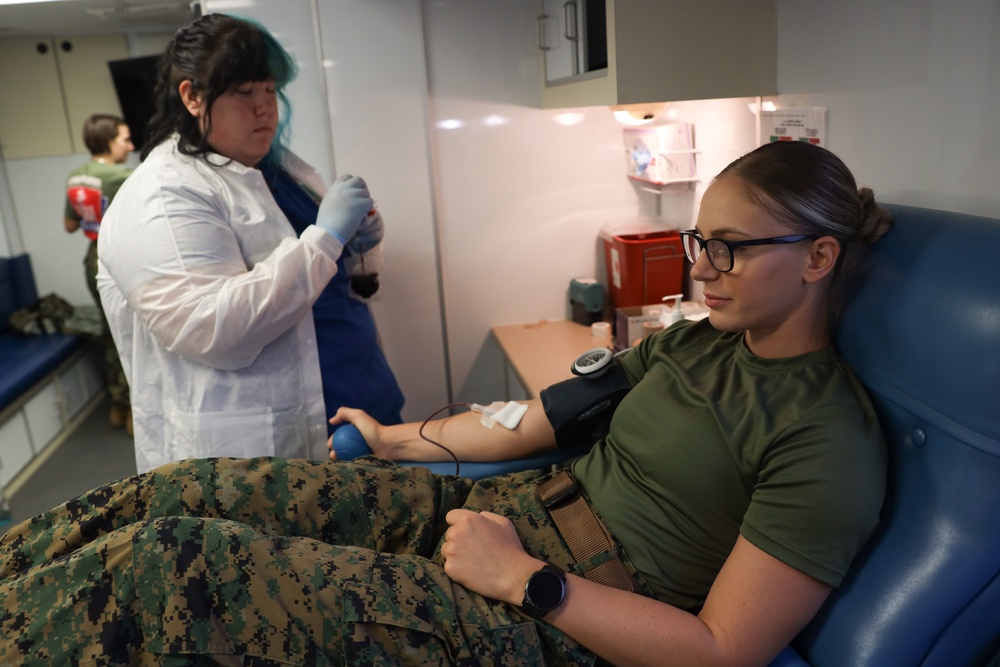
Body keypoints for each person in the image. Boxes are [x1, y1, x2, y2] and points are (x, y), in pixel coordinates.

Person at [0, 140, 892, 665]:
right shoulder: (693, 339)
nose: (700, 266)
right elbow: (540, 418)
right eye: (702, 240)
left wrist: (529, 582)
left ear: (817, 259)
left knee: (174, 561)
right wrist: (393, 439)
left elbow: (721, 650)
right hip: (502, 516)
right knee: (189, 490)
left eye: (730, 248)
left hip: (561, 613)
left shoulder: (825, 436)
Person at [95, 14, 403, 474]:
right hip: (266, 451)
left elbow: (337, 283)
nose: (266, 108)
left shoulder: (278, 170)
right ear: (192, 96)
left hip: (365, 409)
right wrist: (324, 237)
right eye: (244, 92)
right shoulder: (160, 195)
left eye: (269, 89)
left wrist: (360, 239)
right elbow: (211, 327)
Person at [64, 114, 135, 433]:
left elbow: (69, 226)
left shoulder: (75, 177)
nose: (131, 146)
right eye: (124, 139)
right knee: (132, 335)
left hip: (91, 259)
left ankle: (118, 407)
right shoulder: (122, 176)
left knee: (110, 332)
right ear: (108, 141)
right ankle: (137, 413)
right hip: (119, 259)